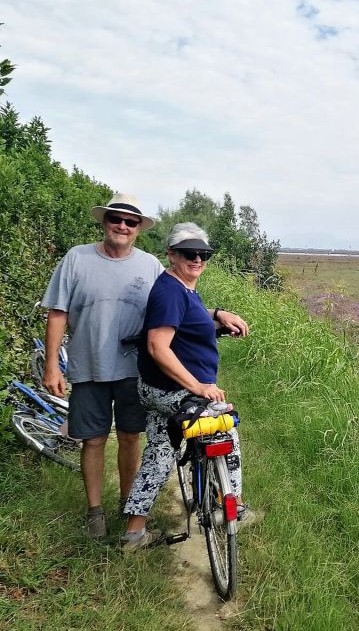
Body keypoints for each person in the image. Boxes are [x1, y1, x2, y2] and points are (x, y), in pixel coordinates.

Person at [122, 222, 254, 551]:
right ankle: (231, 507)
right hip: (174, 391)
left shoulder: (181, 287)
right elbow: (158, 346)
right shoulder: (169, 290)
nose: (197, 259)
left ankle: (134, 532)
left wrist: (219, 317)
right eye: (188, 253)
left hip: (154, 388)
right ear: (172, 254)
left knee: (159, 455)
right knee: (226, 426)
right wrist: (198, 385)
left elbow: (187, 317)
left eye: (203, 253)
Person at [41, 193, 162, 539]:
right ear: (104, 221)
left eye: (130, 221)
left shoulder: (150, 265)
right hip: (88, 365)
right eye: (116, 219)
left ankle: (129, 502)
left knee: (129, 437)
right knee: (92, 441)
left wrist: (214, 318)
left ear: (138, 229)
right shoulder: (76, 258)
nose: (122, 226)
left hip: (134, 369)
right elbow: (57, 312)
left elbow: (169, 310)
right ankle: (94, 511)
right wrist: (53, 365)